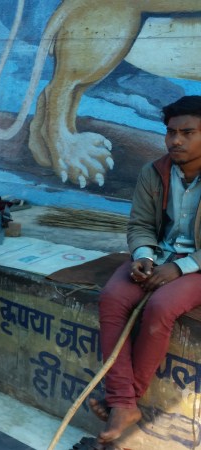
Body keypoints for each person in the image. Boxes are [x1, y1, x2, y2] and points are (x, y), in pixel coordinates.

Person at [89, 95, 201, 446]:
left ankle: (123, 400)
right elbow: (140, 224)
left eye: (187, 133)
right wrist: (143, 255)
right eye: (171, 132)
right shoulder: (153, 172)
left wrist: (179, 268)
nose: (175, 141)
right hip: (160, 256)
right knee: (112, 297)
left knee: (160, 307)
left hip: (197, 265)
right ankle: (125, 404)